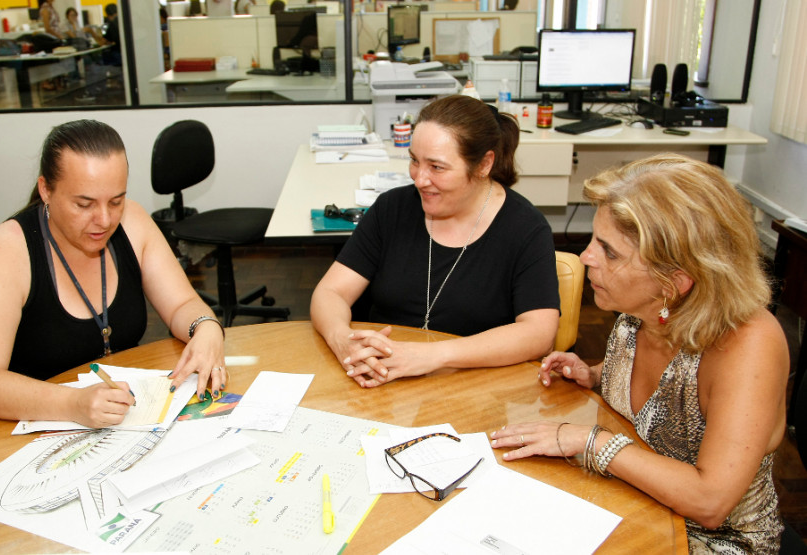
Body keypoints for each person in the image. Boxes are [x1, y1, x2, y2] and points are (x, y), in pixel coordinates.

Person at [490, 154, 788, 553]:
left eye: (609, 252)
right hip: (637, 503)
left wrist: (589, 442)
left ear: (675, 281)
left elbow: (710, 502)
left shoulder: (750, 345)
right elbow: (662, 399)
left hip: (710, 541)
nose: (585, 257)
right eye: (595, 239)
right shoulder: (644, 310)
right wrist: (595, 374)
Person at [0, 120, 227, 428]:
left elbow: (180, 304)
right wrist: (72, 403)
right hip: (31, 429)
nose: (105, 220)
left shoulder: (132, 221)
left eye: (116, 201)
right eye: (84, 204)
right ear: (46, 189)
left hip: (118, 421)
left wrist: (206, 328)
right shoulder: (7, 250)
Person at [310, 94, 560, 388]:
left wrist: (434, 356)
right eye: (414, 161)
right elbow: (330, 292)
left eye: (437, 167)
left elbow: (539, 333)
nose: (419, 179)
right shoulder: (392, 209)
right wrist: (343, 341)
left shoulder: (525, 229)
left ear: (483, 164)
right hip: (382, 386)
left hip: (475, 391)